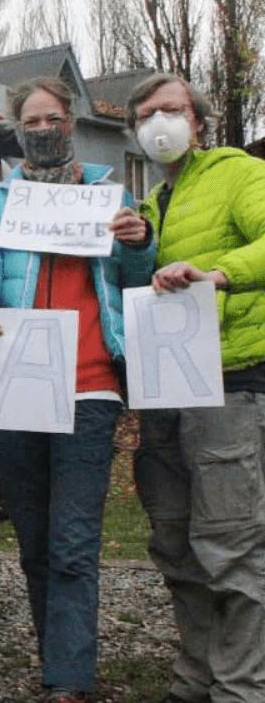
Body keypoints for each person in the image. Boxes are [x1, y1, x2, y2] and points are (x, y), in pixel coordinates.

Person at [0, 77, 155, 703]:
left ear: (70, 120)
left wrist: (141, 242)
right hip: (17, 379)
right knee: (37, 545)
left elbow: (133, 280)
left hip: (91, 386)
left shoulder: (110, 194)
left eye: (53, 117)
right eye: (31, 120)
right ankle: (58, 664)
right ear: (19, 129)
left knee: (73, 542)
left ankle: (69, 683)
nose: (43, 128)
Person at [126, 73, 265, 703]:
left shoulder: (239, 174)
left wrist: (218, 274)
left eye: (171, 110)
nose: (159, 123)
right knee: (175, 543)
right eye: (145, 114)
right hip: (165, 394)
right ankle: (196, 678)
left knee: (230, 548)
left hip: (230, 386)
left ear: (199, 121)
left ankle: (240, 689)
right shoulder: (151, 205)